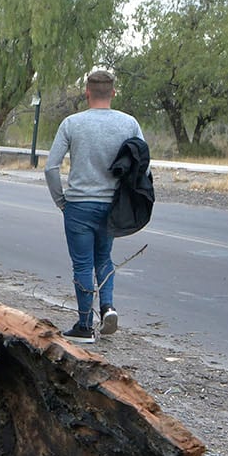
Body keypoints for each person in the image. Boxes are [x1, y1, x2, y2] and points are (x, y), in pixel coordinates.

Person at [42, 67, 142, 343]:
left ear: (86, 93)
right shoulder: (129, 124)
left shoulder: (71, 124)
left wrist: (61, 201)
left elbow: (51, 168)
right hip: (111, 205)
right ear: (113, 93)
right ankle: (107, 307)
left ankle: (84, 326)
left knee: (82, 264)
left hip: (79, 205)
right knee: (104, 258)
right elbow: (142, 164)